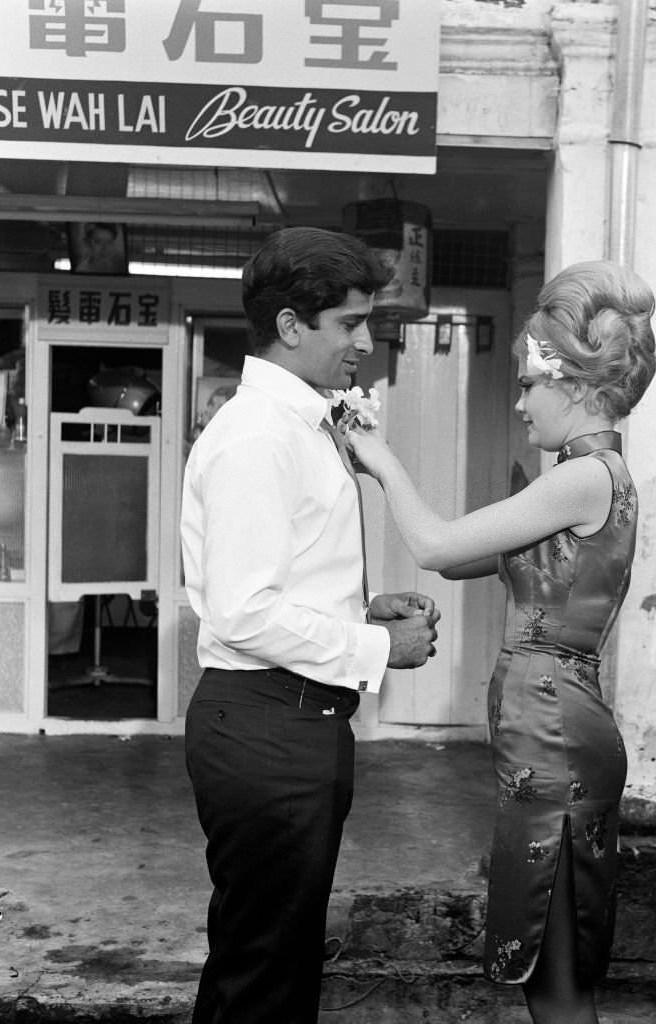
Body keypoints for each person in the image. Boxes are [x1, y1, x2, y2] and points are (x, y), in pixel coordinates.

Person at [347, 260, 656, 1024]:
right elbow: (463, 560)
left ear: (575, 384)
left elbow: (434, 545)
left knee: (554, 988)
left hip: (553, 744)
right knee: (554, 978)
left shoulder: (585, 477)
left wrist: (378, 457)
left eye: (527, 384)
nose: (519, 402)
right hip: (549, 737)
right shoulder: (579, 479)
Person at [179, 226, 441, 1024]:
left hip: (292, 720)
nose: (366, 341)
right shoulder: (259, 435)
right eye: (349, 323)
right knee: (262, 973)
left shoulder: (295, 424)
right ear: (292, 326)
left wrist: (360, 611)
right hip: (268, 727)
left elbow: (275, 587)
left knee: (274, 963)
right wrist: (375, 646)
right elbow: (243, 610)